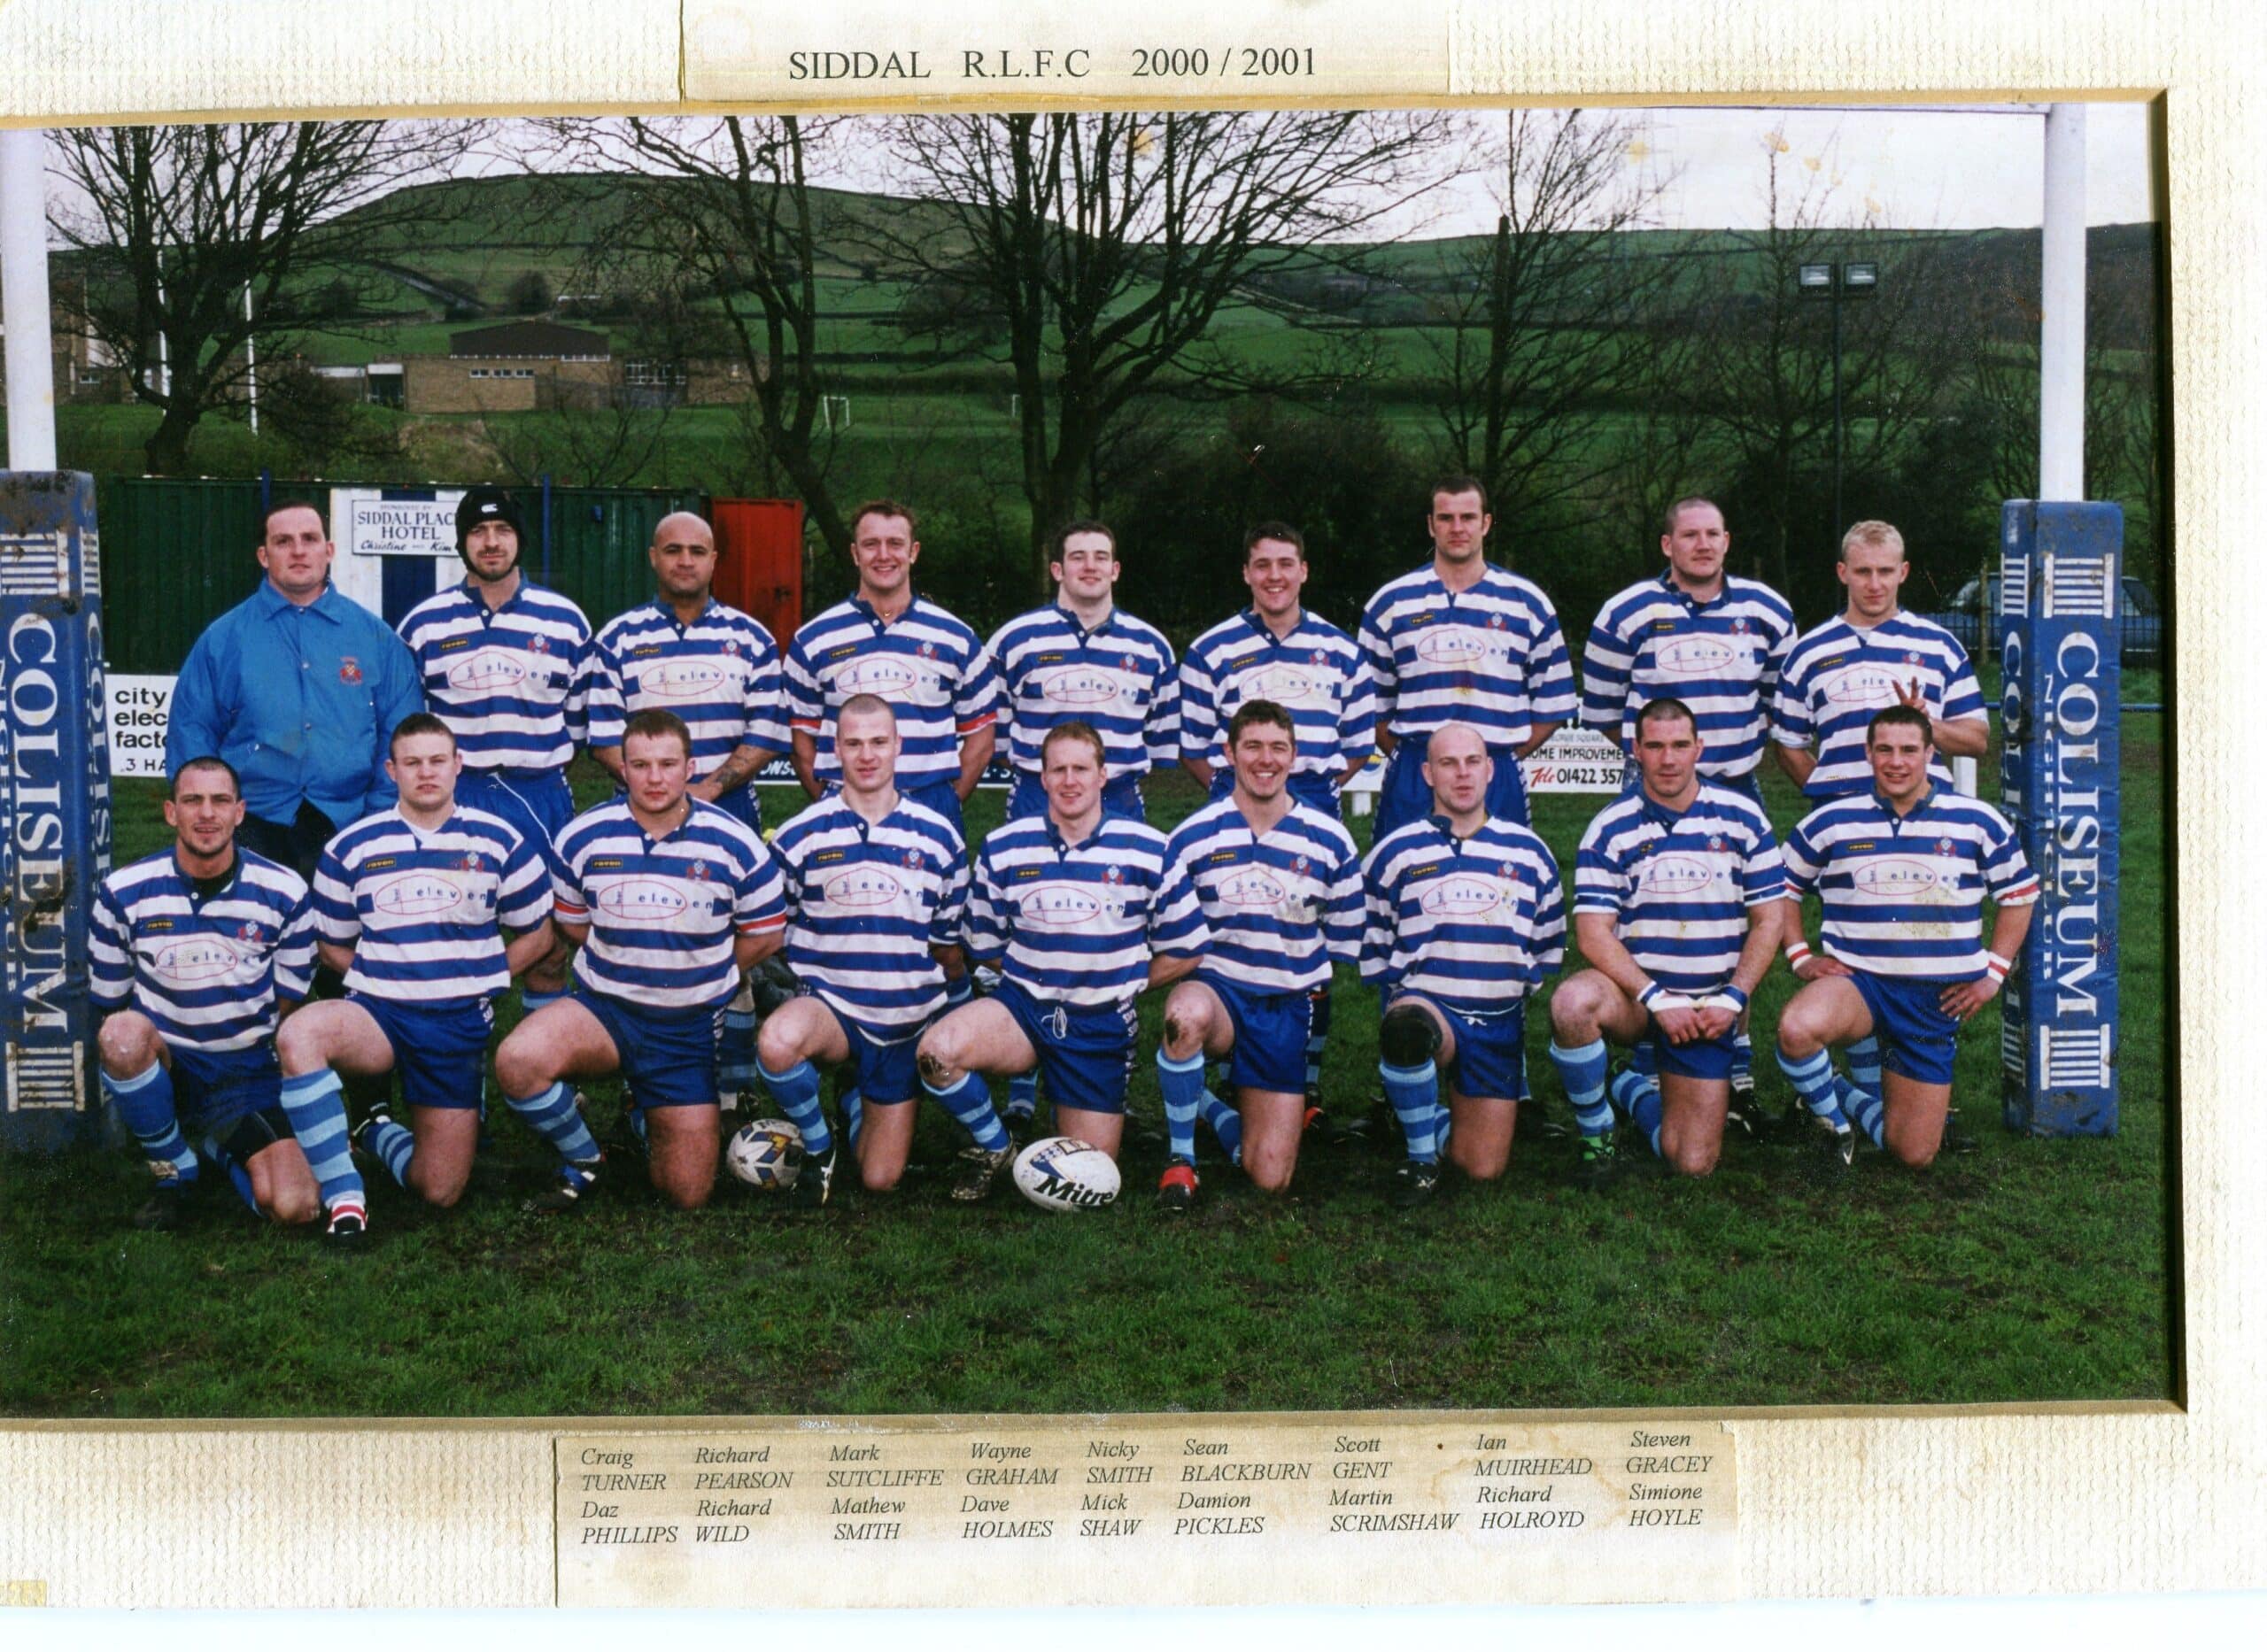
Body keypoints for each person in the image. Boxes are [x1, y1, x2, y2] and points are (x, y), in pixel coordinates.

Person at [491, 710, 787, 1212]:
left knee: (687, 1194)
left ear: (690, 766)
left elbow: (765, 934)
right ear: (622, 769)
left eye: (668, 764)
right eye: (641, 764)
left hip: (686, 1029)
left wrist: (713, 976)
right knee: (517, 1062)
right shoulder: (583, 836)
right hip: (608, 1012)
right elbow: (574, 924)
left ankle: (641, 1115)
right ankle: (587, 1158)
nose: (655, 778)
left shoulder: (734, 840)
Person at [89, 757, 366, 1244]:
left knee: (296, 1206)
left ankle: (218, 1146)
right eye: (192, 800)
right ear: (171, 812)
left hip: (244, 1072)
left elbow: (288, 1000)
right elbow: (110, 1003)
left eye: (220, 801)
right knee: (121, 1037)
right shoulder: (122, 892)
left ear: (240, 812)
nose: (206, 814)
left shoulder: (284, 891)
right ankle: (175, 1171)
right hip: (168, 1063)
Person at [282, 715, 554, 1209]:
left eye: (436, 761)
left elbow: (538, 932)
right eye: (412, 763)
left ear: (457, 765)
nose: (425, 773)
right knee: (301, 1034)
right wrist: (382, 982)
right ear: (392, 771)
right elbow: (331, 944)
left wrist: (486, 976)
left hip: (454, 1023)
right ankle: (345, 1194)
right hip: (378, 1016)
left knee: (439, 1190)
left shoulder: (500, 840)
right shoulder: (352, 847)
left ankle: (374, 1131)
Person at [1578, 498, 1793, 1111]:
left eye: (1713, 535)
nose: (1703, 545)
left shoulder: (1766, 610)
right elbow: (1601, 710)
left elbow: (1781, 700)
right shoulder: (1627, 611)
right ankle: (1650, 1046)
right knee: (1650, 912)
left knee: (1735, 920)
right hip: (1654, 782)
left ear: (1728, 541)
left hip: (1736, 784)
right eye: (1689, 535)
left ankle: (1738, 1058)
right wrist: (1663, 762)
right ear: (1667, 545)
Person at [918, 722, 1209, 1177]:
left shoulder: (1150, 848)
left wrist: (1129, 981)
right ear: (1043, 778)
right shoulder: (1004, 846)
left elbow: (1188, 948)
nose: (1070, 780)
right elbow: (984, 944)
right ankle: (998, 1147)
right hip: (1023, 1008)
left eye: (1080, 768)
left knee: (1088, 1171)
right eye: (1059, 770)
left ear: (1102, 775)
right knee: (936, 1052)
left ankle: (1066, 1096)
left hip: (1098, 1019)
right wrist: (1038, 976)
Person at [1770, 518, 1991, 1108]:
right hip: (1848, 833)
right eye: (1862, 572)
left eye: (1885, 572)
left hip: (1922, 832)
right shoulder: (1810, 650)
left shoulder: (1938, 645)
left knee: (1916, 959)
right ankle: (1863, 1091)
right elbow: (1788, 741)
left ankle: (1913, 1093)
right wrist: (1826, 796)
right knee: (1850, 959)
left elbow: (1976, 738)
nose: (1874, 584)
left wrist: (1929, 725)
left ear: (1904, 573)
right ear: (1843, 573)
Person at [754, 696, 996, 1205]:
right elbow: (776, 928)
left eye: (879, 742)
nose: (867, 755)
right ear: (835, 750)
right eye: (854, 743)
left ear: (898, 747)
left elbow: (948, 945)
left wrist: (954, 1012)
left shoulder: (939, 838)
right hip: (833, 1010)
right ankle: (821, 1152)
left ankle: (855, 1098)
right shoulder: (800, 835)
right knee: (778, 1042)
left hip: (906, 1023)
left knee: (879, 1179)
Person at [1773, 705, 2038, 1168]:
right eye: (1885, 750)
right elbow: (1780, 887)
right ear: (1868, 754)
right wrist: (1800, 956)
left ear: (1930, 753)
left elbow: (2019, 896)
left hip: (1935, 999)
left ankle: (1839, 1089)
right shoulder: (1833, 820)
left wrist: (1993, 974)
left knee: (1913, 1155)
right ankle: (1836, 1129)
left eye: (1909, 750)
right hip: (1861, 985)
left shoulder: (1977, 820)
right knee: (1797, 1028)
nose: (1896, 761)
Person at [587, 509, 788, 1094]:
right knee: (646, 946)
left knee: (731, 953)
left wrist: (707, 789)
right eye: (672, 550)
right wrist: (661, 792)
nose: (684, 561)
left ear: (714, 560)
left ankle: (732, 1094)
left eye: (697, 551)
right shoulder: (618, 638)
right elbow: (602, 738)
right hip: (639, 818)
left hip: (730, 812)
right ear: (653, 556)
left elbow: (765, 733)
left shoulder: (750, 638)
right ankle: (641, 1090)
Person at [1179, 521, 1376, 1111]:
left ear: (1304, 571)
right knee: (1231, 929)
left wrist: (1295, 796)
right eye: (1262, 565)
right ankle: (1224, 1069)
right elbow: (1193, 746)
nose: (1274, 576)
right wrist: (1245, 791)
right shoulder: (1210, 649)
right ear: (1246, 573)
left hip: (1311, 794)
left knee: (1305, 945)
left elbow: (1360, 743)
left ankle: (1303, 1075)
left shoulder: (1343, 651)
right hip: (1232, 797)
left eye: (1285, 564)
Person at [1545, 699, 1783, 1187]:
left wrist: (1733, 999)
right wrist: (1655, 997)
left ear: (1699, 748)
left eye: (1679, 746)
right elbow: (1592, 933)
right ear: (1636, 750)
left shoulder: (1743, 818)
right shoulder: (1610, 827)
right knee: (1572, 1003)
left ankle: (1626, 1085)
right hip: (1638, 999)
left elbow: (1769, 921)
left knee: (1691, 1162)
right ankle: (1598, 1137)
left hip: (1704, 1007)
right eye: (1655, 746)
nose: (1668, 759)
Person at [1153, 700, 1363, 1208]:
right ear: (1229, 753)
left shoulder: (1330, 840)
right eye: (1252, 746)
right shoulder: (1191, 838)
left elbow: (1343, 940)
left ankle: (1210, 1108)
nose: (1265, 760)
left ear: (1294, 757)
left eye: (1278, 748)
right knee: (1185, 1015)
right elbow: (1170, 934)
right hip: (1220, 995)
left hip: (1285, 1007)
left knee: (1270, 1178)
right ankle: (1181, 1161)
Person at [396, 485, 596, 1015]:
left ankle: (549, 1077)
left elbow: (576, 724)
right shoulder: (423, 624)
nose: (491, 543)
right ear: (462, 543)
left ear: (519, 540)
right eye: (478, 532)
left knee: (550, 945)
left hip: (539, 791)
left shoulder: (566, 621)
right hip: (456, 797)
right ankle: (458, 1075)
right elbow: (410, 723)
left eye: (502, 530)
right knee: (451, 931)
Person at [164, 499, 422, 884]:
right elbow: (192, 728)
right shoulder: (223, 639)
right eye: (284, 541)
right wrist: (212, 812)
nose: (299, 550)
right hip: (253, 821)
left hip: (347, 818)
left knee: (339, 939)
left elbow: (402, 733)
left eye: (310, 539)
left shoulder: (375, 638)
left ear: (329, 550)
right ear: (263, 555)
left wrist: (379, 816)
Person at [1361, 722, 1564, 1208]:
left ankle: (1430, 1111)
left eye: (1473, 761)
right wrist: (1406, 996)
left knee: (1482, 1169)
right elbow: (1377, 940)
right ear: (1428, 773)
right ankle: (1419, 1157)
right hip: (1430, 1007)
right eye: (1448, 764)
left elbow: (1546, 943)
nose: (1462, 774)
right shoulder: (1395, 851)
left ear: (1491, 769)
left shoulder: (1530, 853)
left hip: (1496, 1024)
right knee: (1408, 1026)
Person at [1357, 476, 1577, 844]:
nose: (1457, 528)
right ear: (1430, 525)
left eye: (1468, 517)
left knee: (1505, 884)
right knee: (1401, 883)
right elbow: (1367, 705)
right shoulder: (1391, 603)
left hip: (1496, 769)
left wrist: (1496, 754)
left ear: (1486, 523)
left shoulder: (1527, 603)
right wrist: (1420, 757)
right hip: (1414, 768)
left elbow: (1553, 705)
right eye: (1445, 518)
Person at [782, 499, 1000, 842]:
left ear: (913, 551)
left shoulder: (957, 638)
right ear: (855, 554)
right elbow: (800, 741)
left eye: (895, 544)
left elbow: (982, 738)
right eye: (871, 545)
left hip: (930, 801)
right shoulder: (813, 639)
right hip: (844, 804)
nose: (884, 555)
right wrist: (832, 801)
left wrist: (945, 803)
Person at [986, 519, 1177, 823]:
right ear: (1057, 570)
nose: (1090, 566)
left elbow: (1159, 739)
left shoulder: (1151, 647)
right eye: (1078, 557)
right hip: (1038, 793)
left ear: (1115, 570)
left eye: (1101, 557)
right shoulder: (1013, 641)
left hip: (1119, 795)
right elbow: (995, 737)